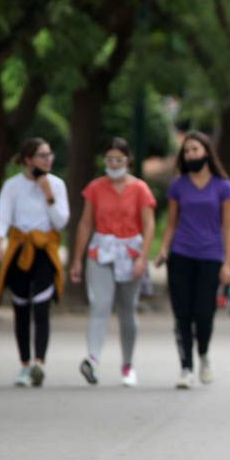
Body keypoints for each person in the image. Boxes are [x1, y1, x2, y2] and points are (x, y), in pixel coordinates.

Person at [69, 138, 157, 387]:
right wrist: (76, 259)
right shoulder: (95, 188)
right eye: (109, 160)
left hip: (130, 251)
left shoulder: (140, 188)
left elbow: (149, 224)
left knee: (127, 308)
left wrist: (143, 257)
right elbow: (86, 223)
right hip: (102, 250)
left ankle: (127, 365)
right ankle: (92, 360)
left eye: (118, 160)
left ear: (128, 161)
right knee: (100, 303)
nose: (114, 164)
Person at [155, 132, 230, 389]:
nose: (190, 155)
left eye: (195, 150)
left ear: (207, 153)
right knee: (182, 315)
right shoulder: (178, 185)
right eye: (187, 151)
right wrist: (164, 249)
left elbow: (228, 228)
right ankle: (186, 368)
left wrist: (228, 263)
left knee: (204, 313)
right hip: (181, 254)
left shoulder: (223, 187)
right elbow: (171, 224)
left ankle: (203, 353)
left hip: (211, 256)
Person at [0, 138, 70, 388]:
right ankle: (24, 364)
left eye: (50, 155)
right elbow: (3, 215)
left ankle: (40, 362)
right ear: (28, 160)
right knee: (21, 308)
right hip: (19, 248)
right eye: (42, 155)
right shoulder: (12, 186)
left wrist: (48, 194)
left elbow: (60, 222)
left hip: (44, 250)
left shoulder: (57, 185)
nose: (48, 159)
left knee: (41, 307)